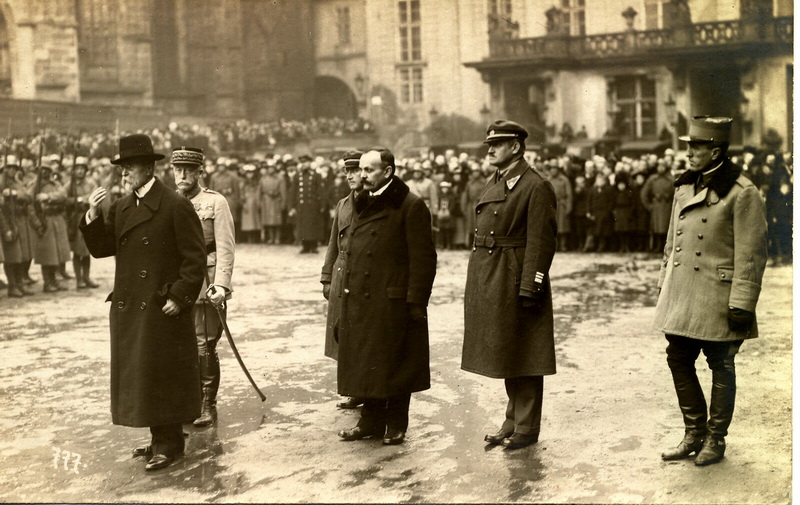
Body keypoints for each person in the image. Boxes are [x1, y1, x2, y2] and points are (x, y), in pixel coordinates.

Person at [80, 134, 206, 472]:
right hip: (133, 305)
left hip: (161, 305)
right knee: (145, 374)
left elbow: (195, 259)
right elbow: (104, 248)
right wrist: (92, 216)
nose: (123, 175)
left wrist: (180, 296)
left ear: (149, 168)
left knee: (161, 373)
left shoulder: (175, 204)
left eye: (129, 168)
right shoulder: (122, 207)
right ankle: (157, 438)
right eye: (121, 169)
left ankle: (170, 444)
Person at [656, 116, 767, 466]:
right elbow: (671, 243)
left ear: (715, 151)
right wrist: (665, 288)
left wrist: (742, 302)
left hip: (719, 295)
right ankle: (694, 433)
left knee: (721, 363)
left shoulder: (742, 192)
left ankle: (715, 439)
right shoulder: (683, 187)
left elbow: (751, 255)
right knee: (678, 357)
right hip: (684, 292)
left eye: (696, 147)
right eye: (689, 146)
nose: (689, 153)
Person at [462, 120, 557, 450]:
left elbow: (541, 242)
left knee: (526, 352)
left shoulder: (535, 186)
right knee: (507, 349)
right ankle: (512, 420)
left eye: (498, 143)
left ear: (516, 147)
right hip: (494, 275)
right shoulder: (498, 180)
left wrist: (531, 285)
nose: (490, 149)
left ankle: (527, 427)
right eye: (490, 143)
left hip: (515, 275)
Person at [336, 148, 437, 445]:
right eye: (362, 170)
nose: (362, 176)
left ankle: (396, 424)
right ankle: (370, 422)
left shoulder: (410, 205)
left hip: (393, 299)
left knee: (397, 364)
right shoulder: (361, 202)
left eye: (368, 170)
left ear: (388, 172)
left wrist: (416, 302)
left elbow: (424, 259)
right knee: (368, 360)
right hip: (363, 299)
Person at [171, 147, 235, 427]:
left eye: (189, 170)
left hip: (205, 284)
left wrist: (221, 285)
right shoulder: (169, 202)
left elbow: (225, 247)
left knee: (204, 345)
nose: (183, 175)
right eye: (178, 170)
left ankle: (207, 404)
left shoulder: (214, 203)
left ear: (200, 172)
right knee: (179, 347)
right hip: (175, 285)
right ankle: (186, 403)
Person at [320, 150, 364, 410]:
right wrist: (327, 277)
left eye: (355, 170)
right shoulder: (342, 204)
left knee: (361, 336)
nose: (350, 175)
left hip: (361, 275)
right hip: (340, 273)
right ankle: (354, 389)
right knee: (342, 336)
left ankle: (364, 391)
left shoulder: (373, 203)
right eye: (347, 171)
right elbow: (332, 244)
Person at [65, 157, 100, 289]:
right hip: (75, 219)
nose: (80, 171)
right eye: (77, 169)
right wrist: (78, 200)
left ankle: (86, 277)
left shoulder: (91, 183)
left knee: (86, 250)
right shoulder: (69, 185)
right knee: (77, 251)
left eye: (82, 169)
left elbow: (97, 196)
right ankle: (79, 279)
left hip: (88, 217)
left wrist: (88, 199)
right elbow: (64, 200)